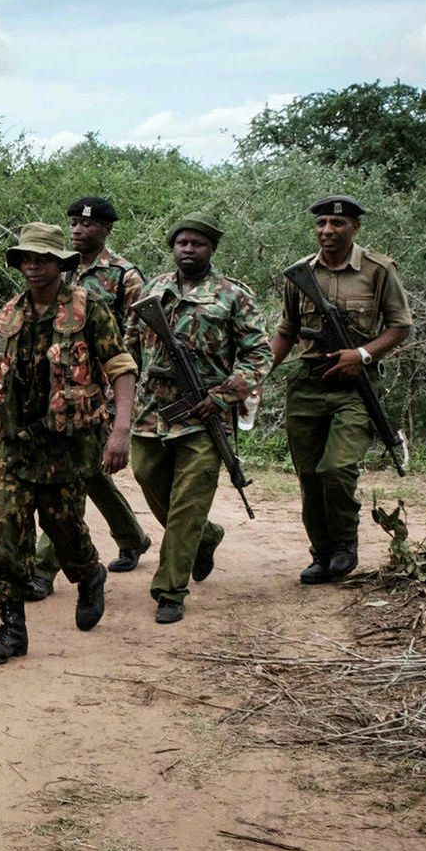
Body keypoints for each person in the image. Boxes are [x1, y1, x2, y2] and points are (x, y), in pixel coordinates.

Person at [0, 222, 137, 664]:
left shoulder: (89, 310)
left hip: (65, 445)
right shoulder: (8, 315)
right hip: (15, 445)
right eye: (26, 259)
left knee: (64, 528)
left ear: (59, 263)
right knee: (4, 534)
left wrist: (120, 431)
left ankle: (89, 575)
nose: (32, 266)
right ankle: (11, 631)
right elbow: (0, 385)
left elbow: (121, 367)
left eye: (42, 258)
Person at [125, 213, 271, 624]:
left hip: (204, 418)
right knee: (147, 478)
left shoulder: (233, 296)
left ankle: (170, 588)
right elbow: (129, 344)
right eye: (182, 243)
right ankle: (205, 537)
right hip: (152, 414)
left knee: (189, 501)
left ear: (212, 250)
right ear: (173, 247)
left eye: (198, 244)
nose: (189, 249)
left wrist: (224, 395)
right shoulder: (153, 289)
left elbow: (260, 353)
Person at [268, 195, 412, 585]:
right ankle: (321, 553)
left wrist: (362, 355)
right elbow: (287, 331)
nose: (327, 231)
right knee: (309, 475)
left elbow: (400, 326)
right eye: (321, 224)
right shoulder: (300, 274)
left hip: (355, 384)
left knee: (337, 467)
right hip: (308, 383)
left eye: (337, 224)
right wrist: (256, 374)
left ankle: (345, 545)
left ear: (355, 228)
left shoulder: (378, 269)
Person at [29, 196, 151, 600]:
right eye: (74, 224)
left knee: (71, 474)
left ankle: (45, 568)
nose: (79, 230)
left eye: (89, 225)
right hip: (60, 388)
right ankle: (131, 535)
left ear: (106, 230)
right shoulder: (56, 267)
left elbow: (136, 338)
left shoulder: (124, 275)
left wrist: (122, 403)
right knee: (88, 470)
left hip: (102, 389)